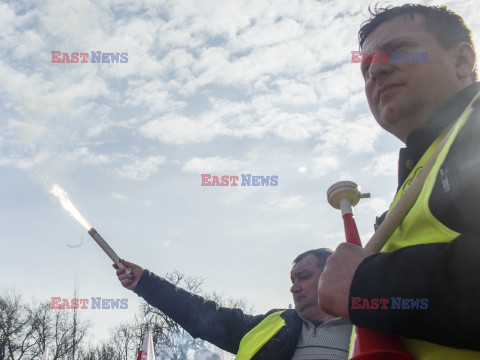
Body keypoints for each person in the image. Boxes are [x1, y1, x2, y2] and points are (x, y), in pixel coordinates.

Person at [317, 4, 480, 358]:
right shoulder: (424, 168)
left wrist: (368, 283)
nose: (376, 69)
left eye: (398, 50)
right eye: (365, 67)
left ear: (462, 61)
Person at [114, 248, 352, 359]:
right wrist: (146, 283)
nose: (293, 287)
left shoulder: (367, 329)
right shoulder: (273, 327)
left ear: (330, 275)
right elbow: (203, 315)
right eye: (292, 279)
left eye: (304, 277)